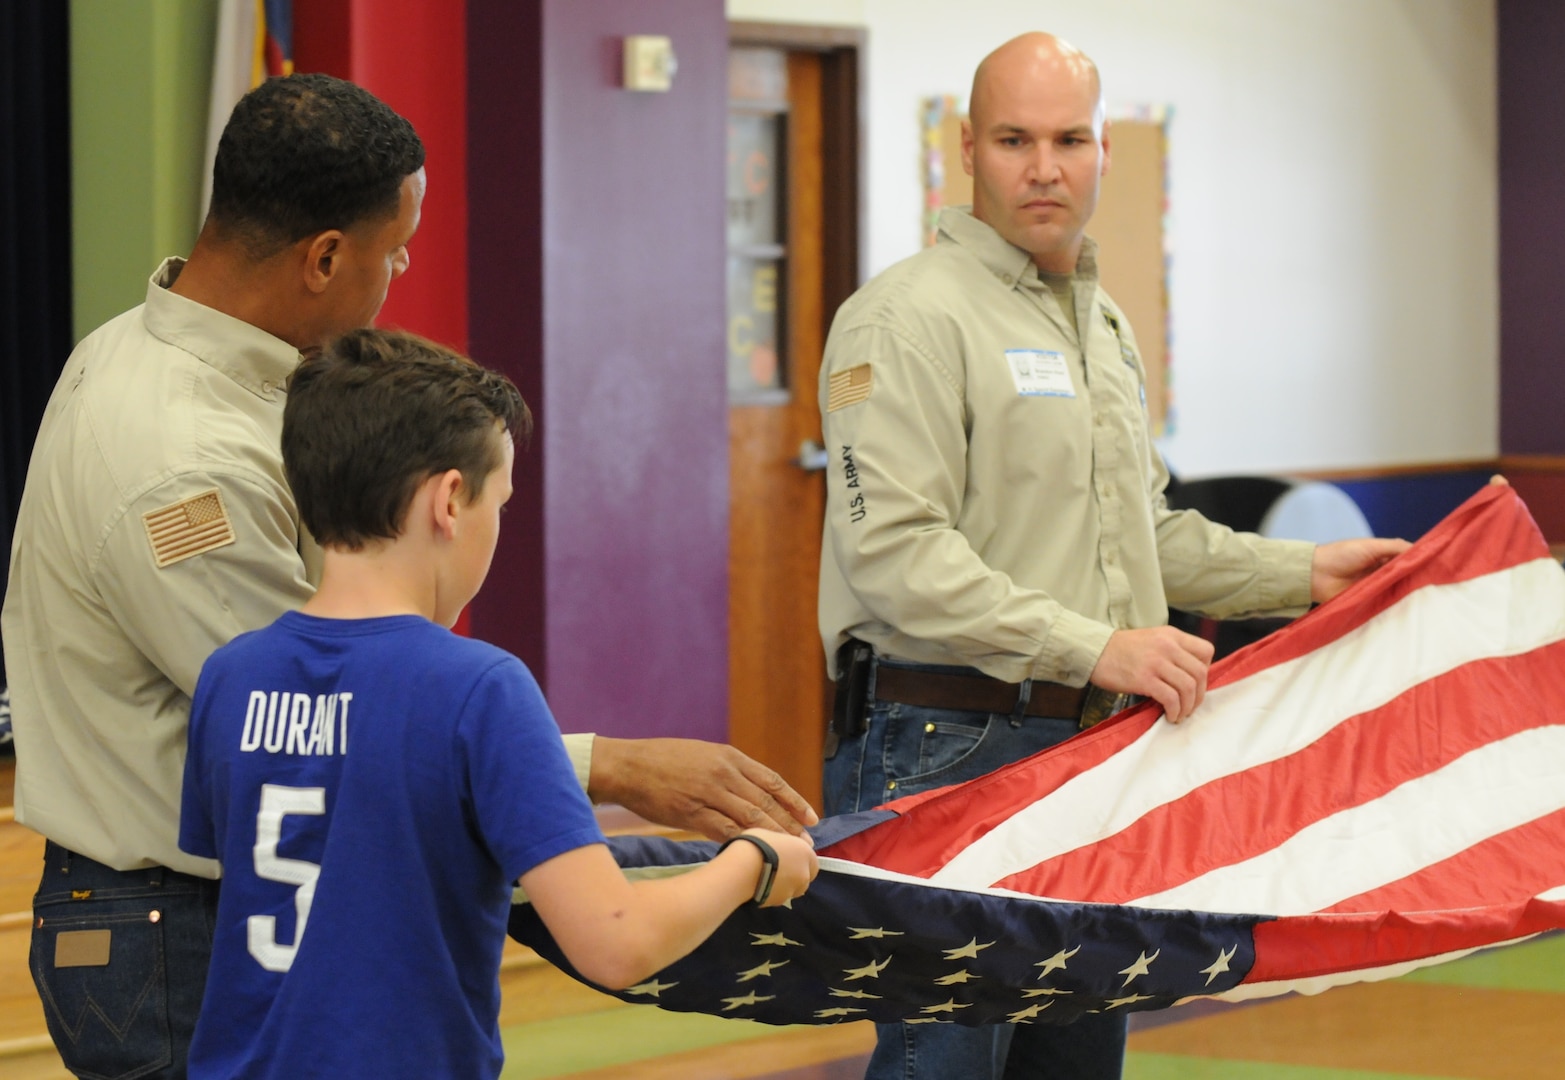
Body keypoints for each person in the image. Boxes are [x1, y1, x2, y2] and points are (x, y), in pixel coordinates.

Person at [2, 72, 814, 1080]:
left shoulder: (152, 355)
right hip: (179, 922)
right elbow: (343, 726)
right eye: (394, 251)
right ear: (325, 256)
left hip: (221, 902)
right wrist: (650, 796)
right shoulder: (183, 459)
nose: (402, 271)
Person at [816, 33, 1408, 1080]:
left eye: (1068, 139)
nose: (1043, 167)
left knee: (1076, 1064)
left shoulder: (1102, 326)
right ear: (965, 150)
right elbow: (897, 557)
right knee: (942, 1066)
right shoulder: (903, 317)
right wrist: (1097, 648)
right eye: (1013, 139)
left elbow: (1147, 530)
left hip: (1095, 757)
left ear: (1102, 154)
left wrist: (1303, 576)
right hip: (941, 744)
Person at [178, 329, 818, 1078]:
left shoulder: (230, 675)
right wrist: (753, 862)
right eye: (501, 503)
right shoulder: (478, 688)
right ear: (450, 500)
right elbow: (614, 942)